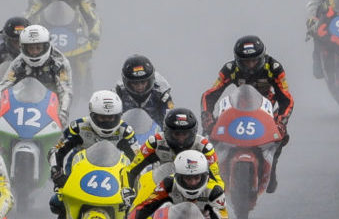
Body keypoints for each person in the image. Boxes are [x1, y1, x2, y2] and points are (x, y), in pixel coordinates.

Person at [198, 35, 294, 193]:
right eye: (245, 61)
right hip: (239, 106)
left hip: (267, 108)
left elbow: (286, 98)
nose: (250, 65)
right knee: (211, 133)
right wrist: (207, 116)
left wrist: (281, 122)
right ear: (237, 60)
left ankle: (272, 169)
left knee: (281, 138)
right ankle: (213, 172)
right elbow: (210, 94)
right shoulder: (229, 69)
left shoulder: (274, 67)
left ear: (262, 58)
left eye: (254, 60)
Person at [48, 90, 139, 219]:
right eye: (102, 118)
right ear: (92, 115)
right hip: (79, 170)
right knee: (56, 204)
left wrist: (137, 184)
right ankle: (68, 212)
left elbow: (139, 159)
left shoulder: (125, 131)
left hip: (113, 171)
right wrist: (56, 171)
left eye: (111, 118)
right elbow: (56, 150)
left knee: (134, 204)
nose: (107, 122)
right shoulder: (78, 127)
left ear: (119, 116)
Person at [125, 108, 223, 202]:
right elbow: (132, 170)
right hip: (161, 191)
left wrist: (216, 194)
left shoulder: (204, 147)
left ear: (193, 132)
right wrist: (128, 191)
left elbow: (216, 178)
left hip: (195, 194)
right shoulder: (155, 143)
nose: (181, 139)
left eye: (185, 134)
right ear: (167, 131)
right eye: (176, 134)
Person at [0, 24, 75, 119]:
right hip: (23, 104)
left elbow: (66, 91)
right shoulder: (18, 63)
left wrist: (63, 113)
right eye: (31, 48)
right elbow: (1, 87)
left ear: (46, 46)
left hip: (51, 107)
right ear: (23, 48)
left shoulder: (59, 62)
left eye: (38, 48)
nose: (34, 52)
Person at [113, 54, 175, 124]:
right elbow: (110, 118)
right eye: (135, 83)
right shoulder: (118, 94)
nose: (140, 86)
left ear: (151, 79)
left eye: (143, 82)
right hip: (126, 133)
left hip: (157, 133)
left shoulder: (162, 94)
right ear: (127, 82)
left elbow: (171, 118)